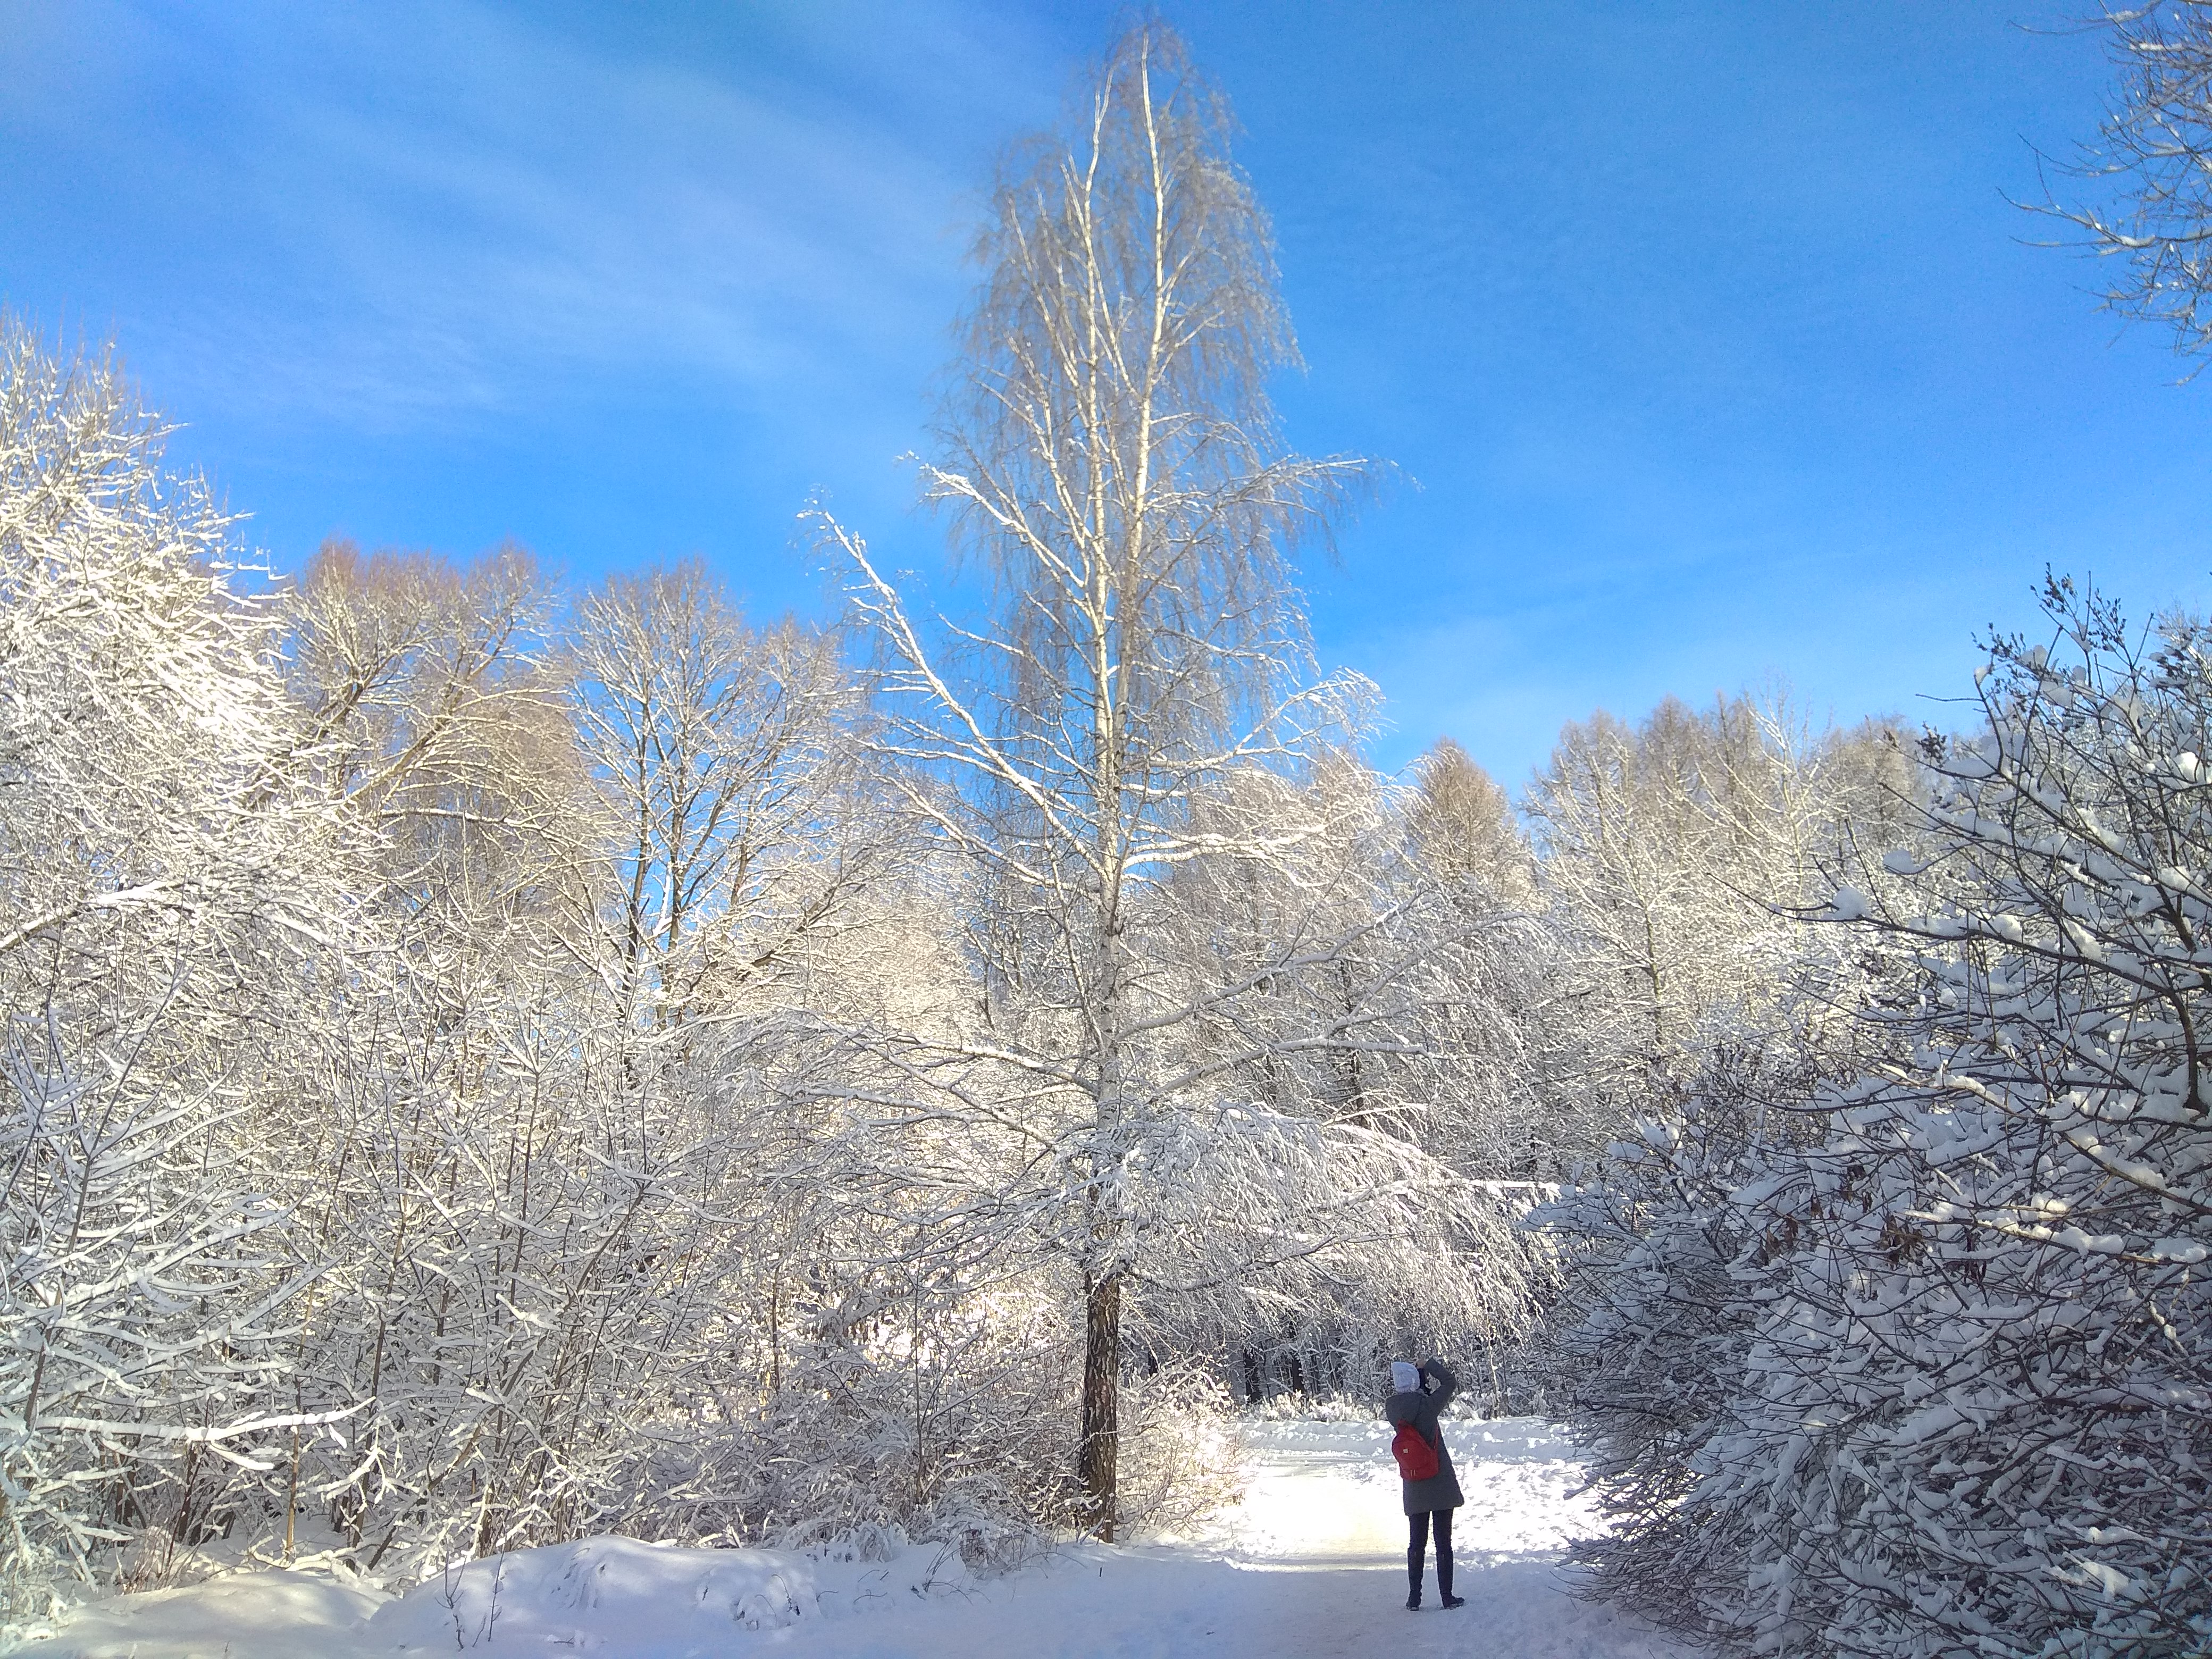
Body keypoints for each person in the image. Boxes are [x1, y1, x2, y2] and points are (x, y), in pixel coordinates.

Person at [1385, 1356, 1464, 1611]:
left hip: (1414, 1482)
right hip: (1439, 1481)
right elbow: (1450, 1382)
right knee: (1443, 1542)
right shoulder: (1427, 1406)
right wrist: (1428, 1364)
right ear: (1417, 1382)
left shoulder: (1394, 1410)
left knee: (1416, 1542)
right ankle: (1447, 1597)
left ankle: (1414, 1598)